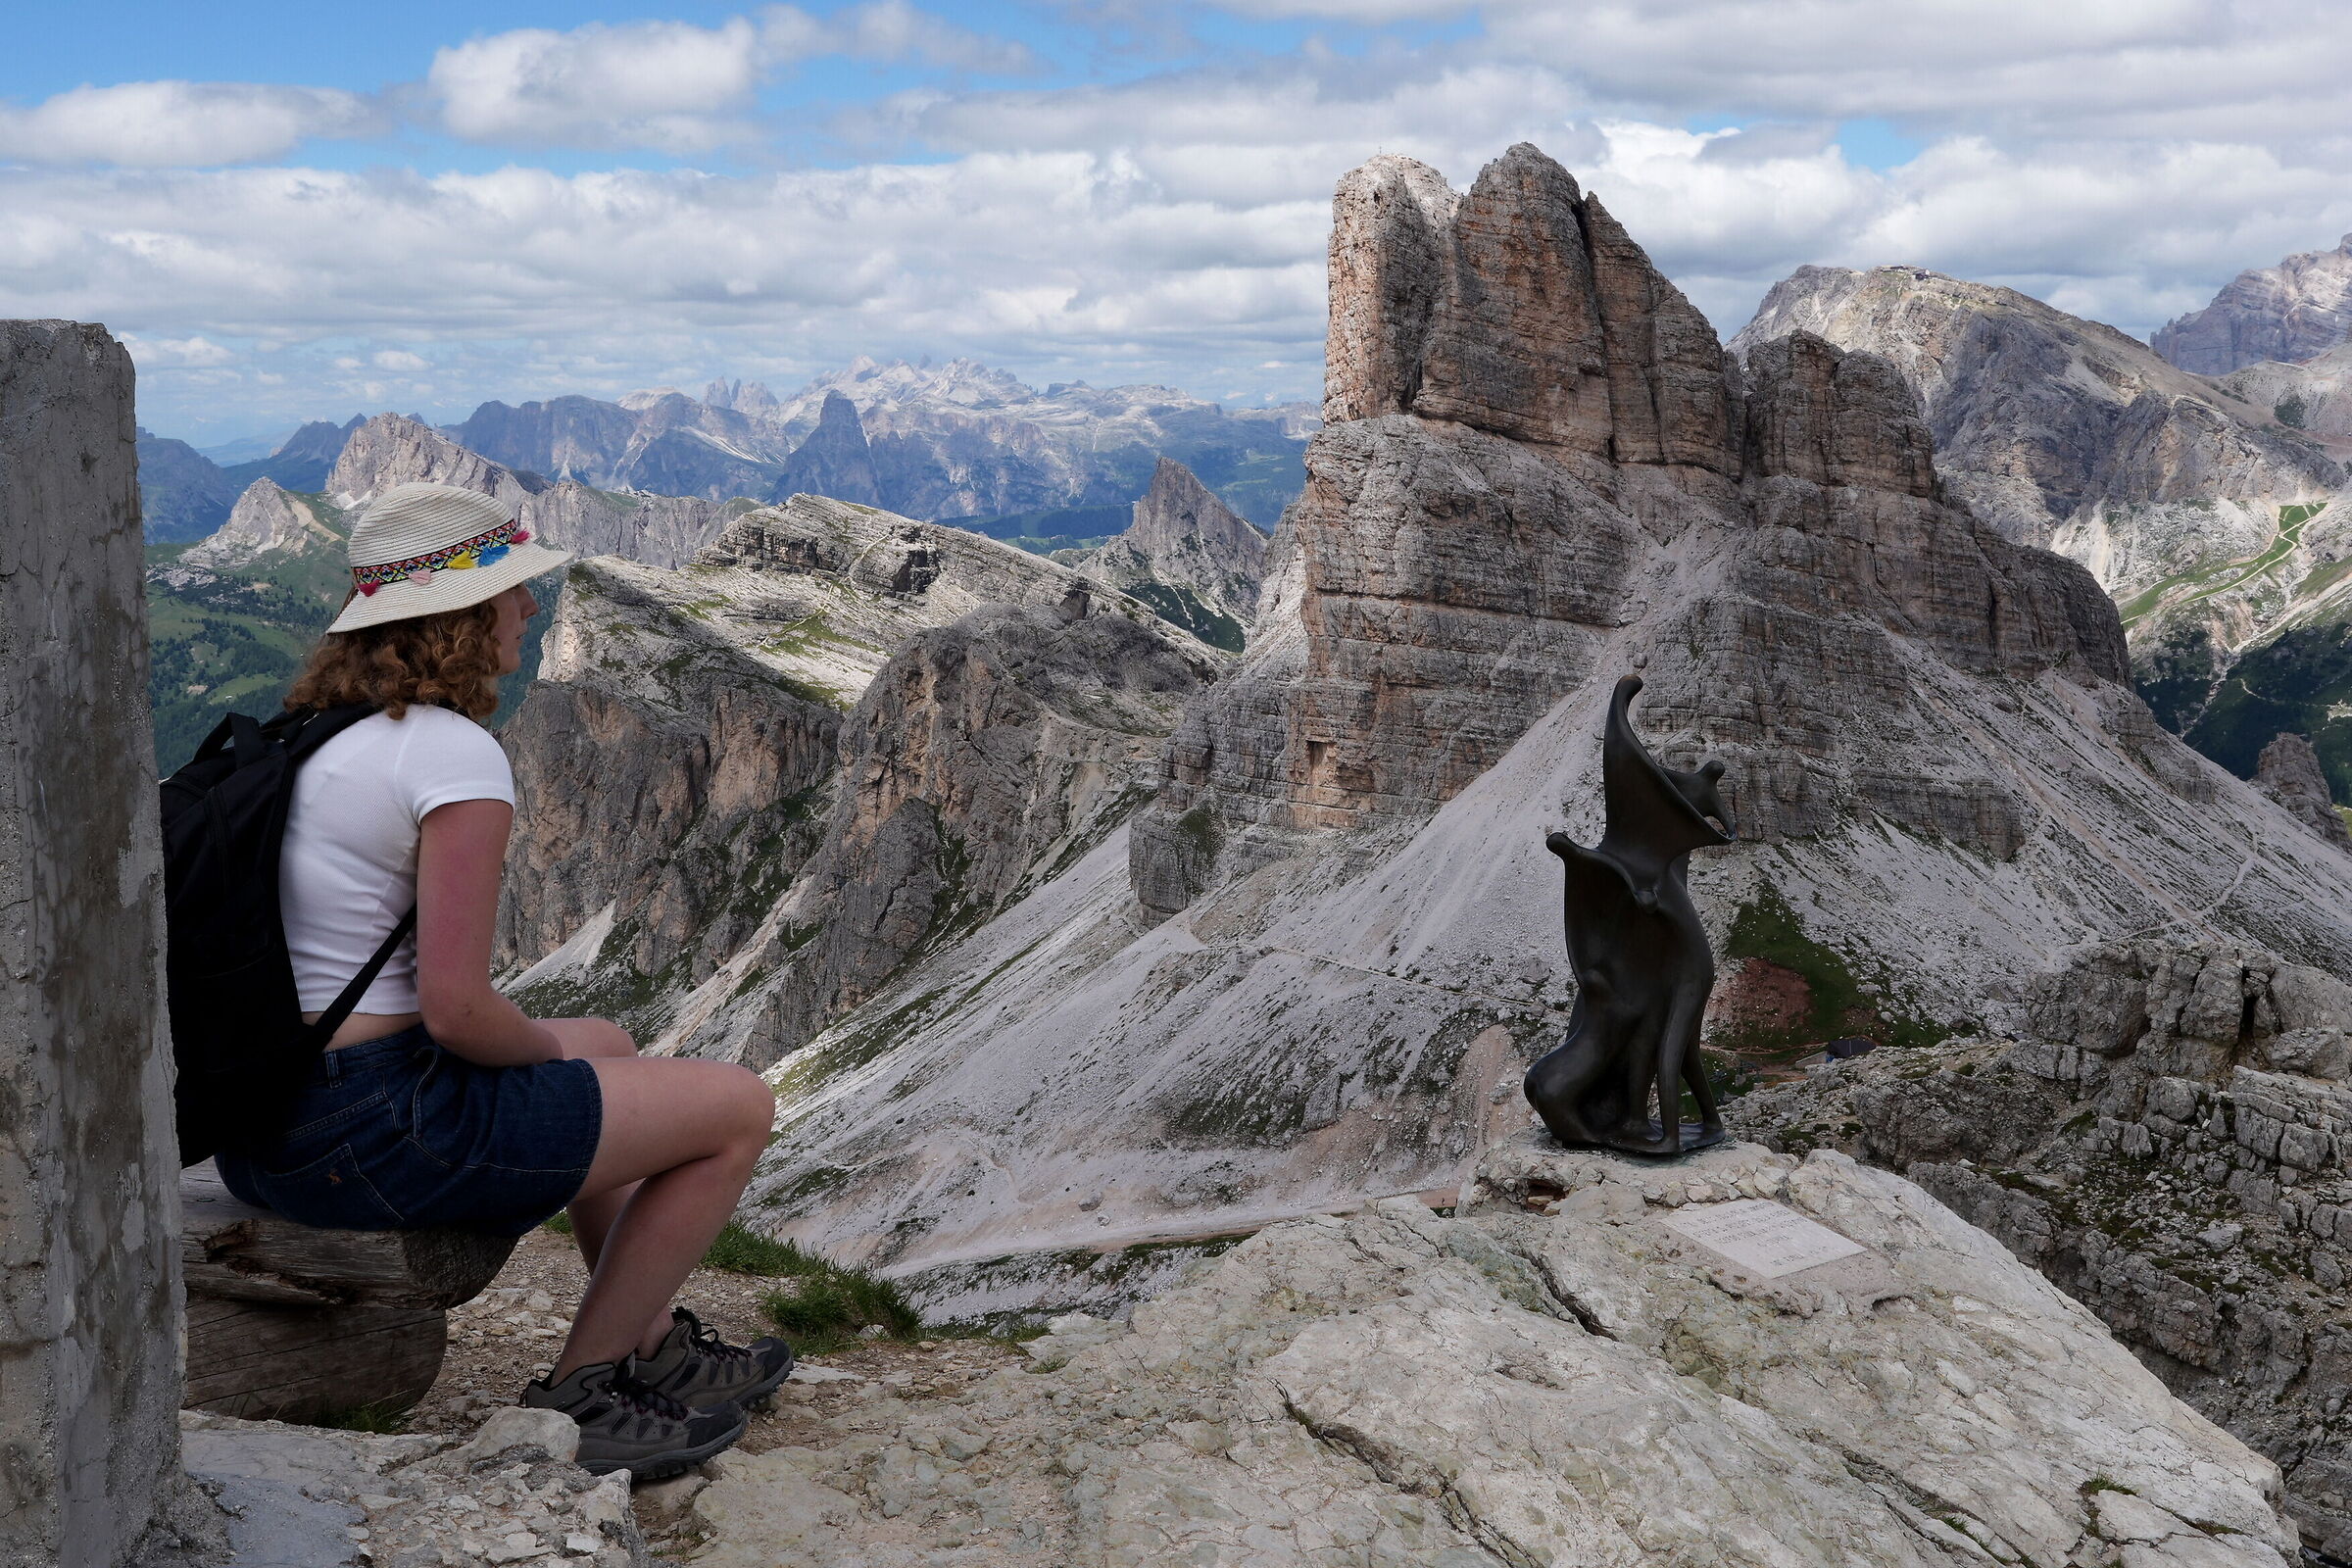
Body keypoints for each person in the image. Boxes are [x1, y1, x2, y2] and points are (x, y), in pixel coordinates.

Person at [212, 481, 789, 1476]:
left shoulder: (317, 736)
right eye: (512, 590)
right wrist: (540, 1049)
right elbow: (458, 1010)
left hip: (263, 1129)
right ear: (464, 615)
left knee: (608, 1043)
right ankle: (586, 1390)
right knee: (738, 1107)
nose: (530, 604)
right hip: (373, 1131)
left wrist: (568, 1051)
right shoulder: (453, 754)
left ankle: (651, 1342)